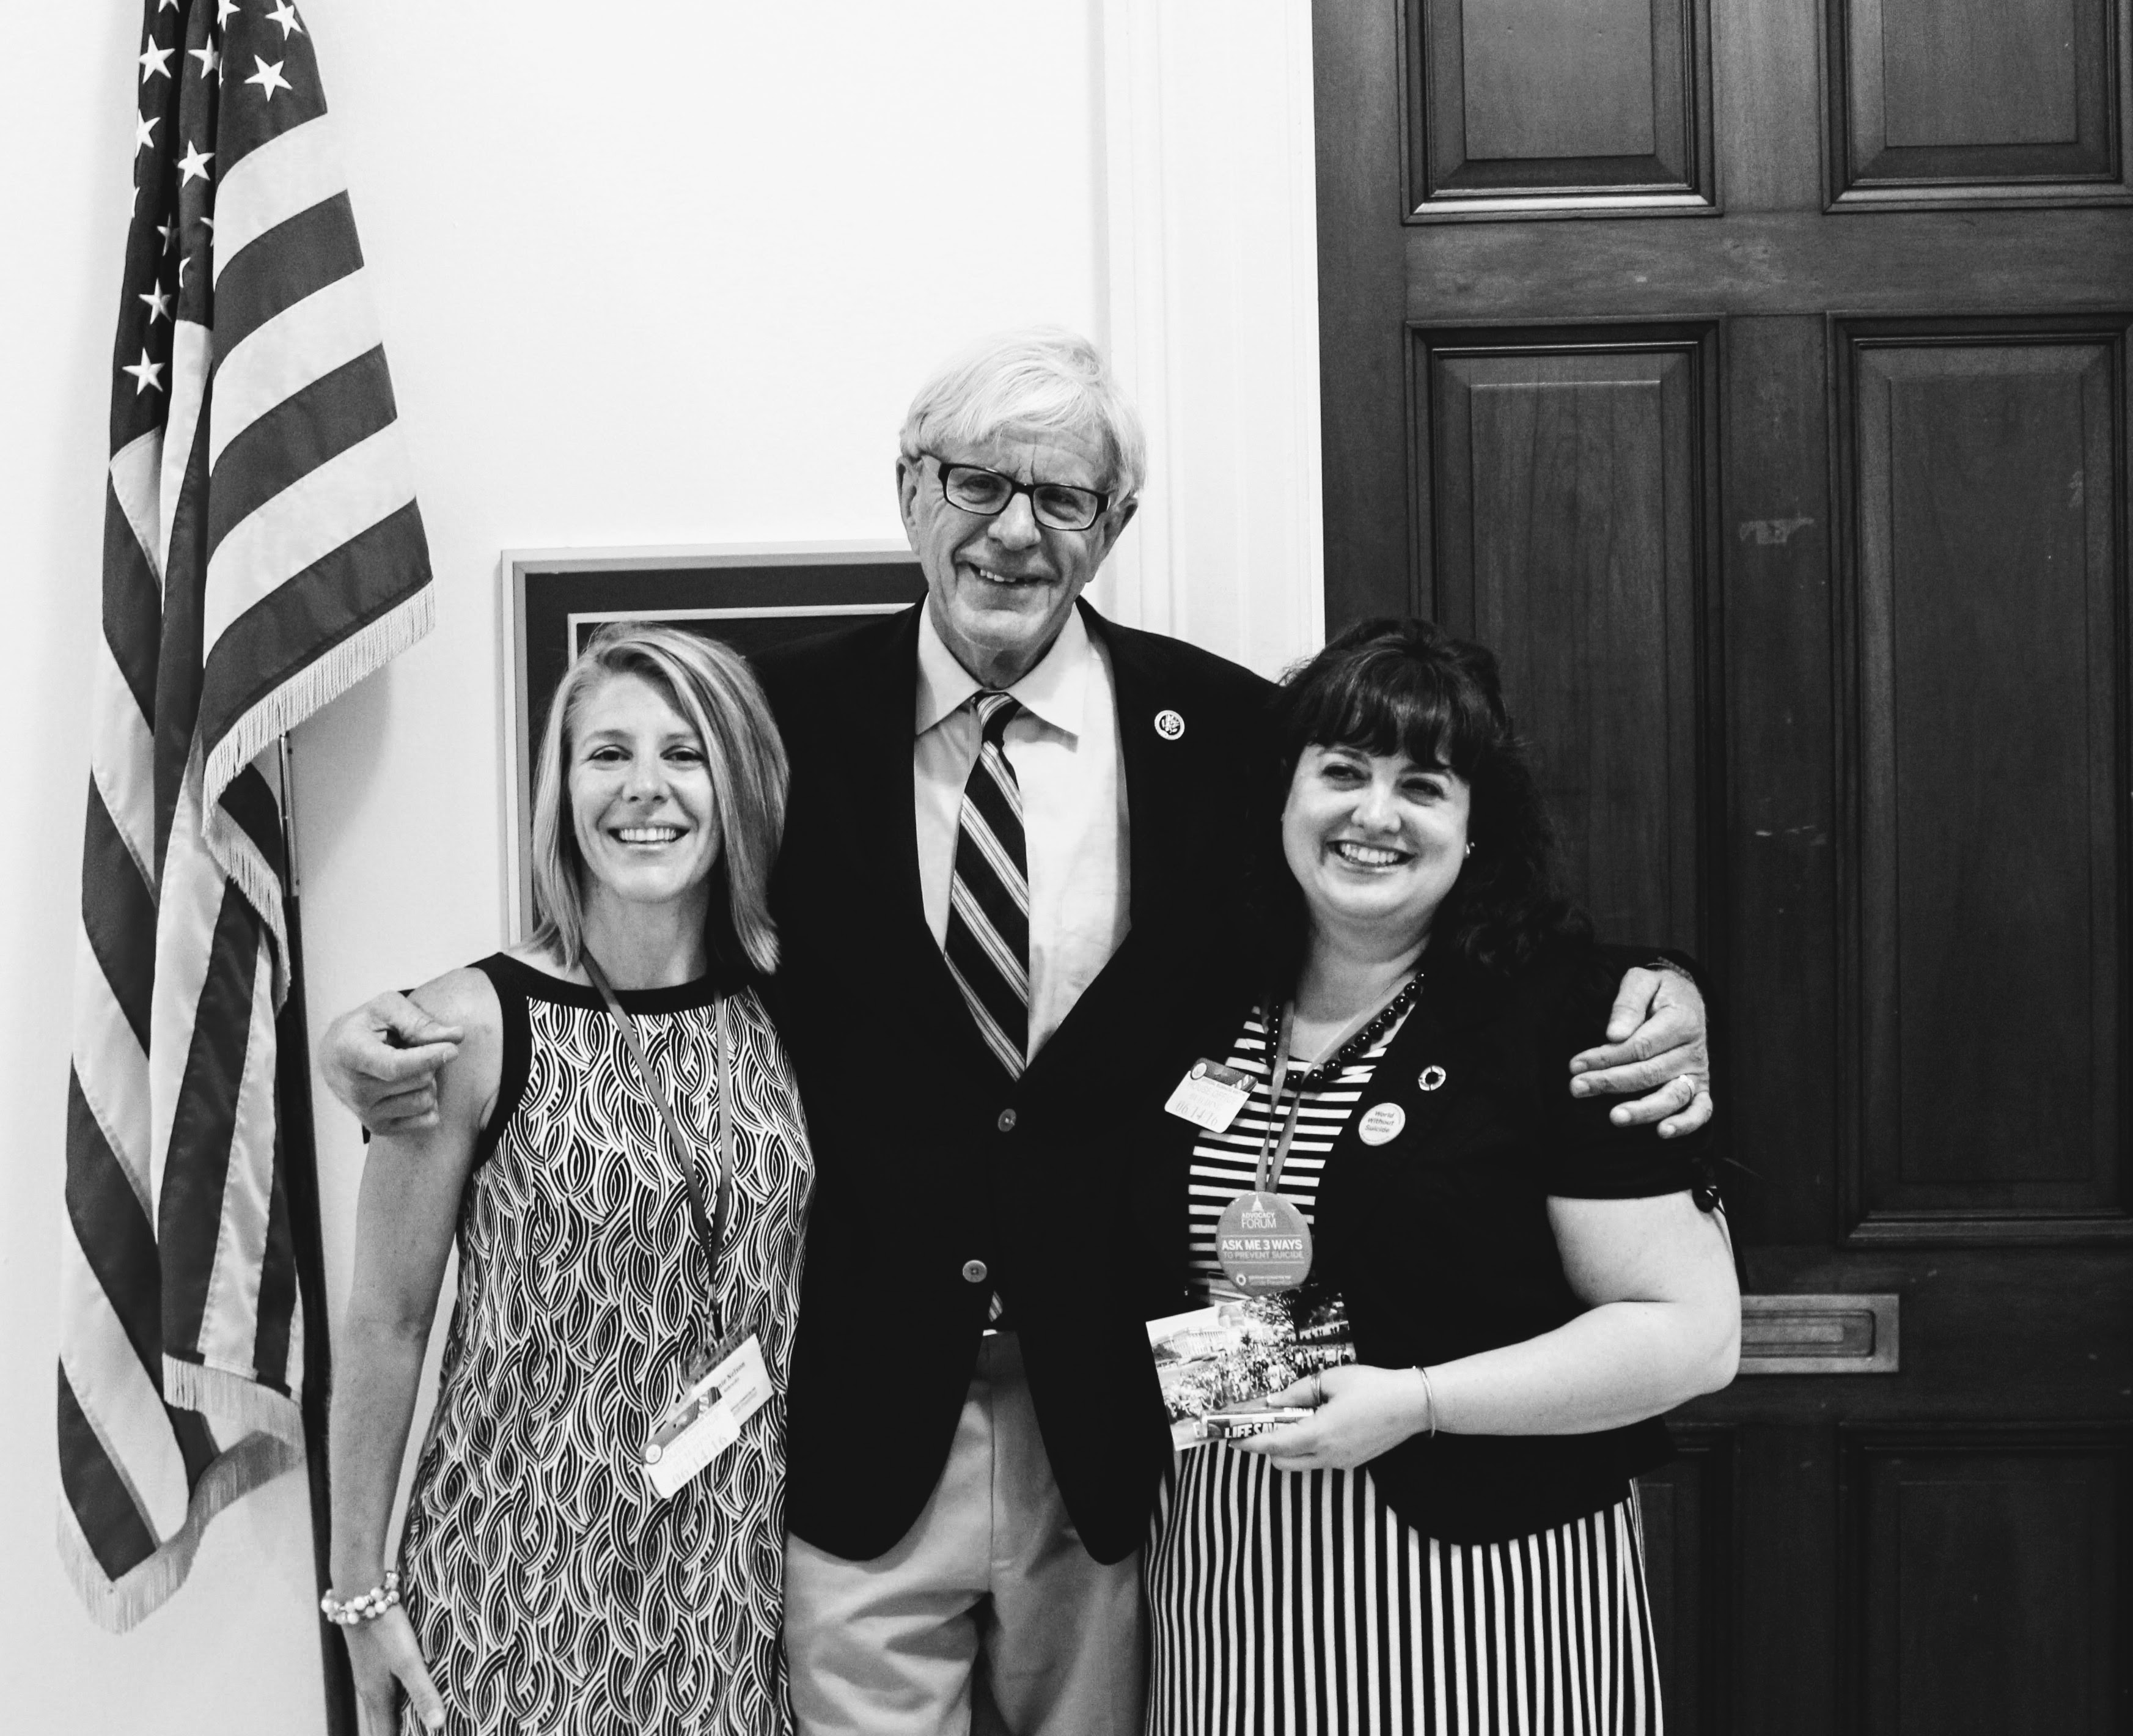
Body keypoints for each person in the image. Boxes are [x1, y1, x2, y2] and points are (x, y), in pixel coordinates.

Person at [322, 329, 1714, 1736]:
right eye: (977, 482)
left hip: (1111, 1425)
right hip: (853, 1420)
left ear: (1113, 527)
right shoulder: (780, 728)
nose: (1013, 531)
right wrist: (390, 1027)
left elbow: (1401, 899)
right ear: (909, 493)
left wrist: (1659, 984)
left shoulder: (1232, 736)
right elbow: (636, 930)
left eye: (1063, 499)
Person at [1142, 618, 1740, 1735]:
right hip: (1227, 1572)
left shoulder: (1575, 1017)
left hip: (1483, 1589)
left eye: (1422, 785)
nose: (1374, 815)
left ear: (1475, 834)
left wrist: (1418, 1404)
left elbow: (1691, 1335)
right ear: (1282, 798)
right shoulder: (1200, 1001)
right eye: (1341, 773)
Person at [324, 625, 813, 1735]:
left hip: (731, 1597)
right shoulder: (465, 1027)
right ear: (562, 788)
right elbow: (386, 1323)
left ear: (735, 781)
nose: (646, 789)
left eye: (684, 754)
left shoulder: (784, 1015)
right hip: (514, 1585)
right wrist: (359, 1594)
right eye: (608, 754)